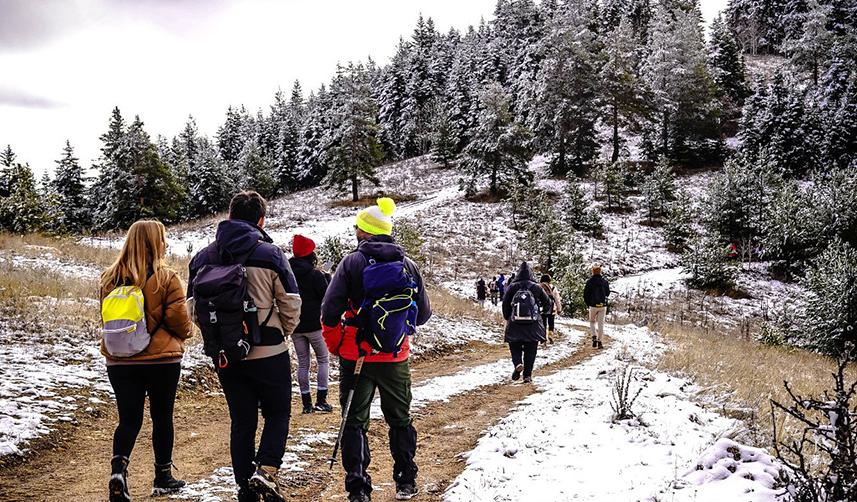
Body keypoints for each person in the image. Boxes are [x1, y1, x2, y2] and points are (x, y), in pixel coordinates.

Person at [187, 191, 301, 502]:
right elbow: (291, 302)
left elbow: (192, 308)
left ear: (230, 215)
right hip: (270, 352)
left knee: (242, 421)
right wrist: (281, 331)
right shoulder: (271, 254)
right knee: (278, 414)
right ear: (261, 220)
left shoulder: (202, 258)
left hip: (227, 356)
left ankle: (244, 490)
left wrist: (223, 335)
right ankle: (265, 471)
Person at [322, 198, 432, 502]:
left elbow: (329, 310)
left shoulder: (350, 263)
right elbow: (422, 314)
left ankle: (358, 488)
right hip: (395, 355)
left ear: (364, 232)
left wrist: (337, 343)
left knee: (354, 421)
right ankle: (405, 481)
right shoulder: (408, 265)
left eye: (358, 226)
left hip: (357, 355)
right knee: (400, 418)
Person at [99, 220, 193, 502]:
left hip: (119, 360)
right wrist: (186, 332)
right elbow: (179, 321)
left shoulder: (109, 279)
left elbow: (106, 319)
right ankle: (163, 476)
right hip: (161, 360)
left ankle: (118, 471)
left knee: (128, 419)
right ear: (156, 242)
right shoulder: (167, 278)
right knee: (161, 416)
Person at [289, 234, 333, 414]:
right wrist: (328, 278)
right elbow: (326, 297)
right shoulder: (315, 274)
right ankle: (321, 399)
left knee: (303, 363)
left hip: (295, 326)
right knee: (323, 359)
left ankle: (306, 403)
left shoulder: (287, 272)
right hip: (315, 325)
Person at [502, 262, 551, 384]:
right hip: (532, 324)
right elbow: (547, 303)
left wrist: (508, 317)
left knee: (514, 345)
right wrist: (540, 313)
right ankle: (527, 375)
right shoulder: (536, 287)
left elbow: (505, 304)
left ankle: (518, 363)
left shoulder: (512, 287)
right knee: (531, 349)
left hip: (515, 324)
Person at [583, 265, 610, 349]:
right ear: (600, 272)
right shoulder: (604, 282)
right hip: (602, 305)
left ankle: (594, 336)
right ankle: (600, 342)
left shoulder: (589, 282)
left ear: (593, 272)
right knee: (601, 324)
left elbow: (585, 295)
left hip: (593, 305)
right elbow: (607, 293)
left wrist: (588, 304)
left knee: (592, 322)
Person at [539, 274, 563, 344]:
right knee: (551, 322)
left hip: (542, 308)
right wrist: (559, 309)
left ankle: (543, 337)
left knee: (543, 323)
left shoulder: (539, 287)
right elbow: (557, 299)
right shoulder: (553, 287)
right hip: (552, 308)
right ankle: (550, 335)